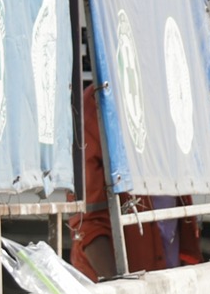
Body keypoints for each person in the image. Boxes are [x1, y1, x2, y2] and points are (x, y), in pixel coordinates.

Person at [72, 85, 201, 280]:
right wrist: (124, 292)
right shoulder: (97, 105)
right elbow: (88, 223)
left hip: (169, 274)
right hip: (121, 283)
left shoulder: (170, 99)